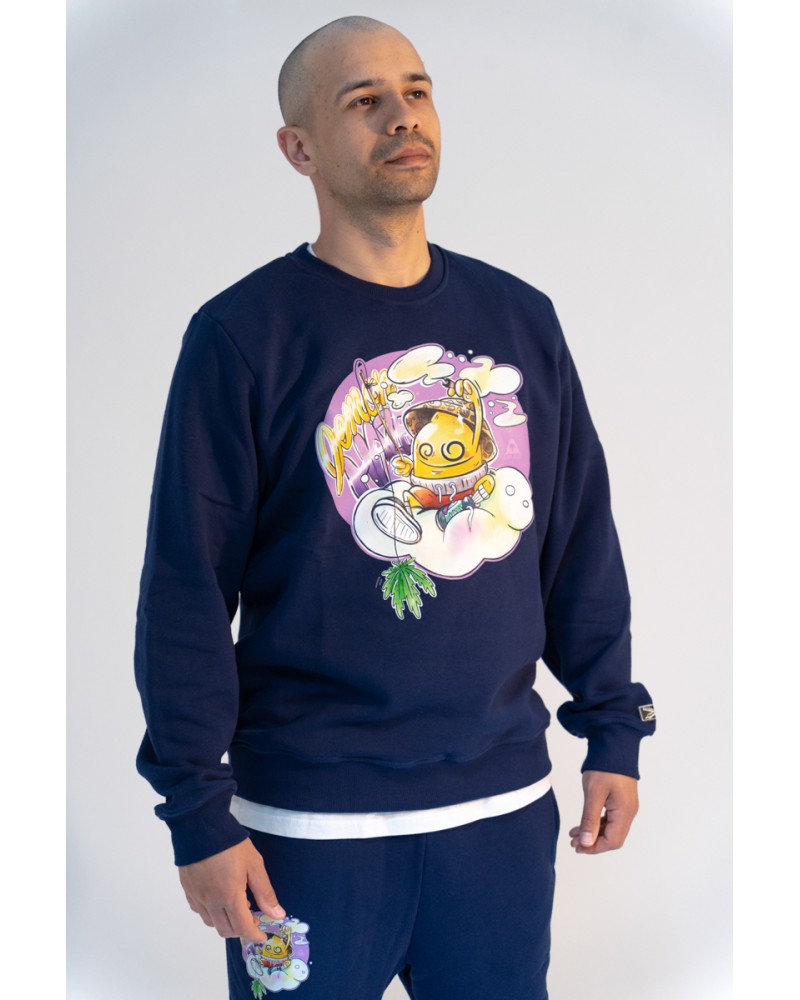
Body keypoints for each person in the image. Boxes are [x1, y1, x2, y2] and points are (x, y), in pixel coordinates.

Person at [134, 15, 656, 1000]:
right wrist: (197, 816)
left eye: (416, 92)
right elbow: (185, 591)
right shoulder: (241, 337)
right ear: (299, 149)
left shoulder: (519, 318)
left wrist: (612, 728)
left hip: (500, 816)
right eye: (363, 100)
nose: (402, 116)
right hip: (307, 834)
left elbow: (578, 541)